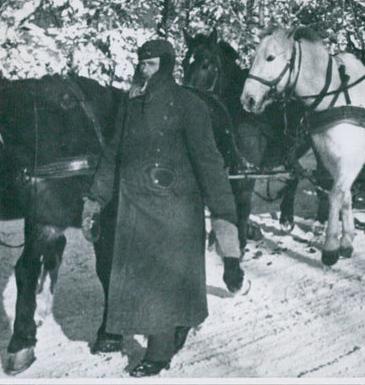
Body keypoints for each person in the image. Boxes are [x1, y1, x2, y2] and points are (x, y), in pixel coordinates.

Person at [81, 39, 245, 378]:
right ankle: (142, 329)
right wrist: (96, 197)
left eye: (151, 64)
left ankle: (159, 350)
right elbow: (113, 154)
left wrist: (224, 215)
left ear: (167, 66)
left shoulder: (189, 104)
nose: (143, 69)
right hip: (134, 208)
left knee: (164, 280)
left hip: (175, 210)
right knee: (136, 278)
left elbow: (208, 161)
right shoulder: (130, 106)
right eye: (141, 63)